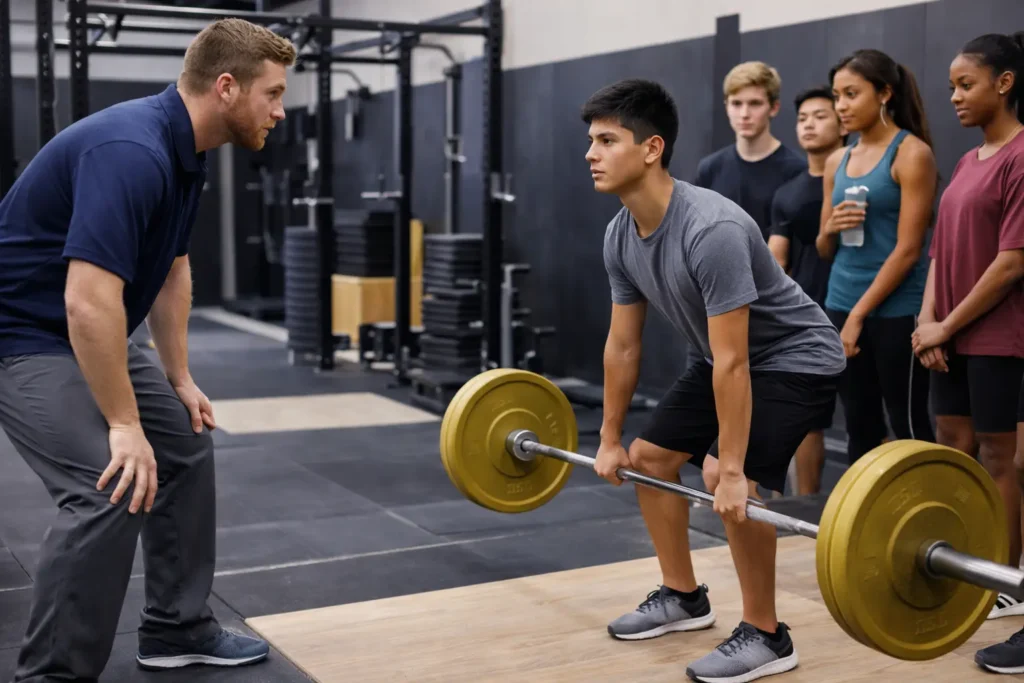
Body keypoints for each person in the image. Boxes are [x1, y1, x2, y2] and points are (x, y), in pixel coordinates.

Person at [0, 19, 294, 681]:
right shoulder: (132, 149)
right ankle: (51, 674)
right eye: (273, 94)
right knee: (106, 484)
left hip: (81, 325)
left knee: (184, 442)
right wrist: (125, 424)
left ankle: (175, 627)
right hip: (22, 333)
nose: (280, 110)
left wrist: (178, 375)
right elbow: (86, 301)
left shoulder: (186, 150)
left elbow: (171, 269)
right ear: (226, 86)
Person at [584, 78, 846, 683]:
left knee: (727, 476)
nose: (591, 154)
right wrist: (609, 437)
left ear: (651, 148)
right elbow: (623, 345)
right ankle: (683, 597)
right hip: (724, 358)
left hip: (796, 356)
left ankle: (767, 634)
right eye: (591, 141)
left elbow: (735, 363)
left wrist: (731, 472)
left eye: (607, 140)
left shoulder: (711, 228)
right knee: (649, 459)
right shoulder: (620, 234)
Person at [911, 32, 1024, 675]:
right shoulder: (965, 161)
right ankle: (964, 562)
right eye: (952, 84)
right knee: (952, 448)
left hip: (997, 338)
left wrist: (946, 326)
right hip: (948, 335)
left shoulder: (1021, 157)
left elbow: (1010, 264)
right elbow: (938, 253)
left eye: (966, 84)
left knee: (999, 458)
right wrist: (929, 323)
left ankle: (1006, 578)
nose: (953, 95)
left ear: (1004, 84)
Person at [815, 49, 937, 465]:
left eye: (852, 94)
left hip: (895, 311)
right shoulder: (837, 159)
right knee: (859, 425)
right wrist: (829, 229)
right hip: (840, 303)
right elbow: (824, 248)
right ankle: (868, 508)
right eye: (837, 95)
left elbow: (909, 250)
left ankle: (927, 504)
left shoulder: (911, 154)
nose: (841, 106)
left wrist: (858, 316)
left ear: (884, 93)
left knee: (908, 424)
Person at [766, 86, 847, 495]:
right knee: (808, 420)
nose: (809, 125)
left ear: (842, 122)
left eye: (820, 116)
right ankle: (804, 506)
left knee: (870, 419)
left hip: (863, 309)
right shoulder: (789, 192)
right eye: (802, 118)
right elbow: (774, 261)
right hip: (809, 318)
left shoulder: (862, 179)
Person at [693, 61, 807, 242]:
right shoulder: (710, 169)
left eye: (755, 103)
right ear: (726, 106)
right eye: (736, 103)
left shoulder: (796, 171)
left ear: (774, 107)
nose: (744, 114)